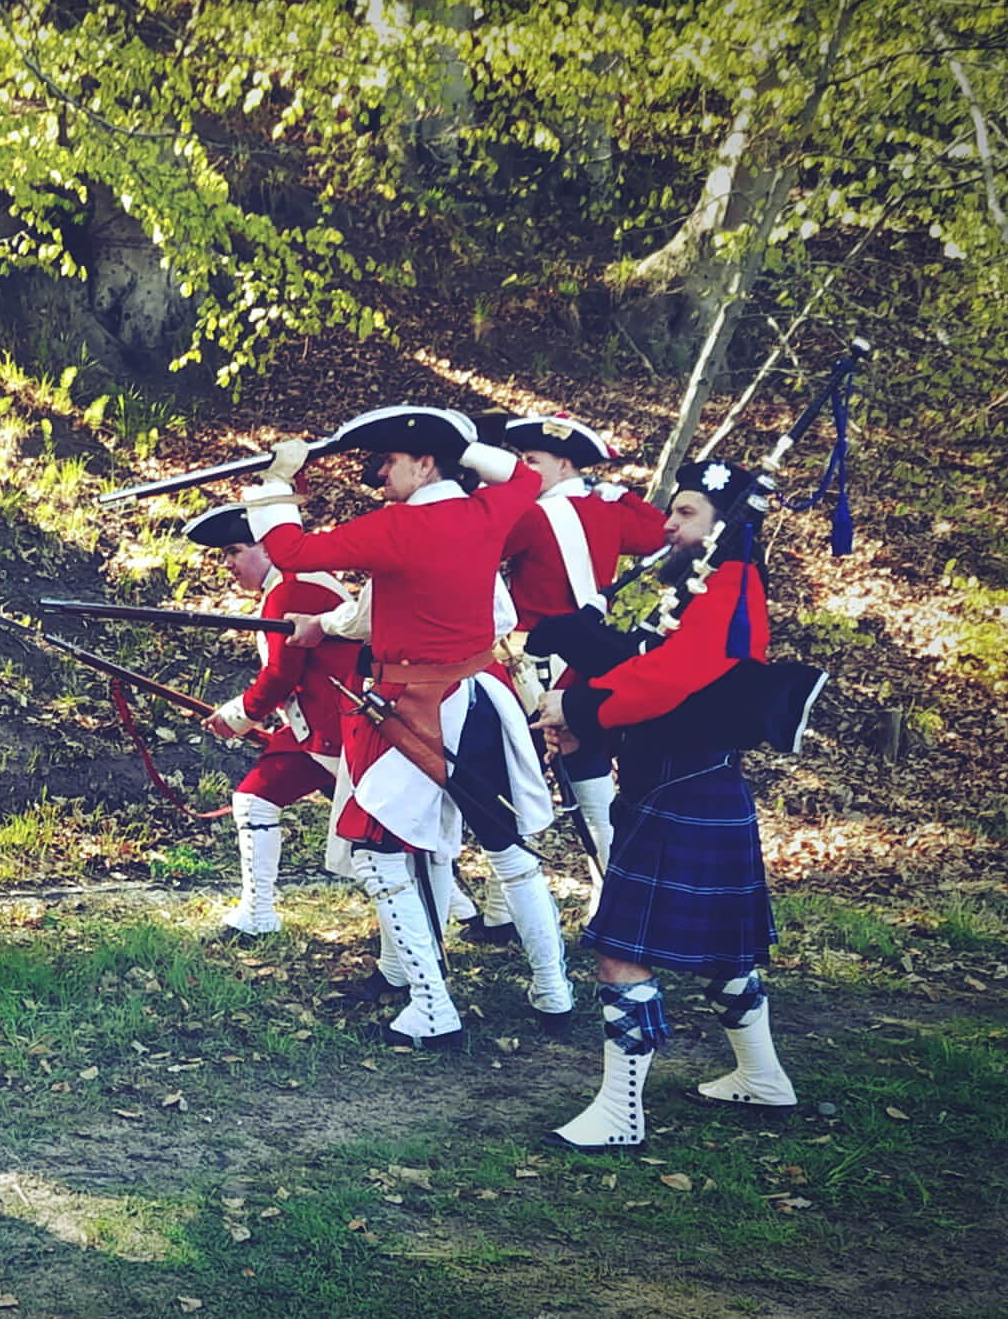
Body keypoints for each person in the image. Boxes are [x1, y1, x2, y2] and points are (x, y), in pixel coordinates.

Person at [243, 406, 573, 1048]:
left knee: (378, 852)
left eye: (390, 462)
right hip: (484, 697)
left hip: (419, 706)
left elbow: (290, 551)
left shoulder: (398, 527)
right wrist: (468, 447)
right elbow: (524, 482)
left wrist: (278, 482)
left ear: (425, 462)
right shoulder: (487, 511)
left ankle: (431, 1005)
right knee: (508, 852)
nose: (379, 474)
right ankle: (553, 989)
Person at [535, 458, 798, 1151]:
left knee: (622, 953)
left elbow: (672, 678)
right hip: (682, 783)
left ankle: (621, 1113)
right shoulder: (704, 585)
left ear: (723, 525)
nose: (668, 524)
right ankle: (763, 1075)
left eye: (685, 513)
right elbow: (646, 657)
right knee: (723, 954)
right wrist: (581, 645)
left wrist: (581, 706)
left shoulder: (735, 586)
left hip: (688, 785)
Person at [463, 414, 665, 938]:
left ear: (565, 464)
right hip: (588, 662)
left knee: (511, 785)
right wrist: (618, 495)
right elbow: (654, 533)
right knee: (593, 788)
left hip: (534, 665)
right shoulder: (608, 511)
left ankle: (506, 912)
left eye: (532, 462)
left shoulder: (531, 515)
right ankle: (608, 906)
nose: (521, 471)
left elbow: (473, 550)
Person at [185, 503, 358, 937]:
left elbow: (282, 674)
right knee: (255, 799)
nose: (228, 564)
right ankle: (256, 913)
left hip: (338, 729)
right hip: (320, 725)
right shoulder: (292, 583)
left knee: (387, 844)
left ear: (267, 546)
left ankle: (258, 915)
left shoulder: (289, 589)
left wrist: (239, 716)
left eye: (236, 550)